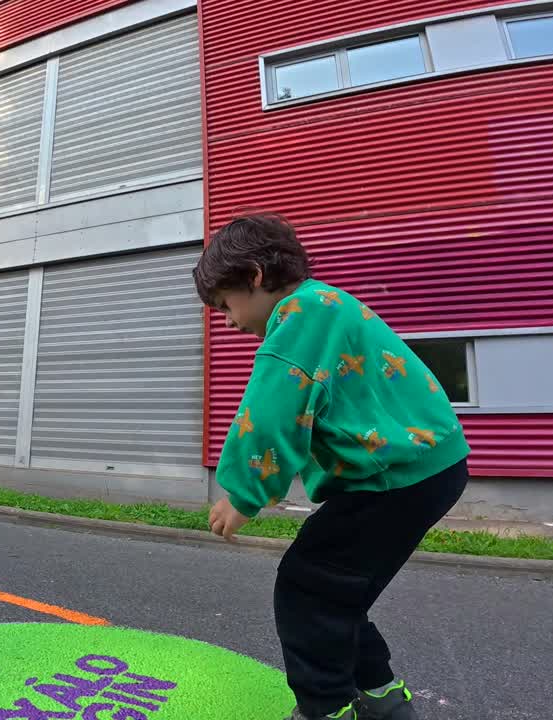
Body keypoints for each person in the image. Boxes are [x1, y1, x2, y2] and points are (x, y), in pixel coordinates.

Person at [192, 213, 470, 720]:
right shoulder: (326, 305)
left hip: (395, 478)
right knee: (336, 591)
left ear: (254, 276)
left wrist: (243, 492)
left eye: (226, 306)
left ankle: (325, 708)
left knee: (305, 588)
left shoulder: (299, 314)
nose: (229, 323)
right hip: (425, 468)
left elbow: (273, 411)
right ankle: (382, 697)